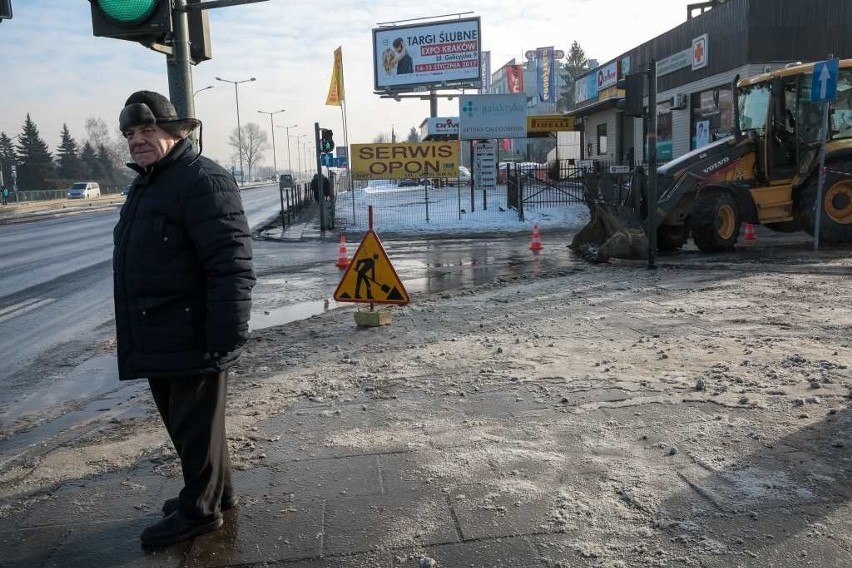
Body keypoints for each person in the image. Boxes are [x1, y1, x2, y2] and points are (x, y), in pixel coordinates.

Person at [112, 91, 255, 547]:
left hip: (192, 332)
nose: (137, 140)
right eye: (131, 133)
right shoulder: (150, 182)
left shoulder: (202, 179)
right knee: (191, 425)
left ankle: (200, 512)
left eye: (147, 130)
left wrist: (225, 333)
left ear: (174, 132)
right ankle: (218, 492)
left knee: (193, 427)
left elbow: (230, 263)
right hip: (162, 329)